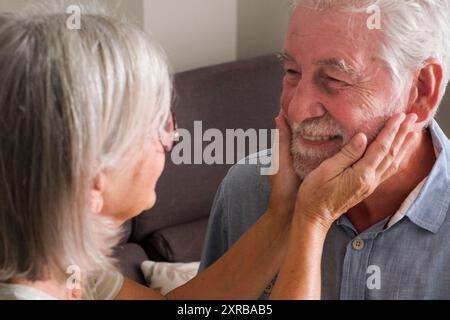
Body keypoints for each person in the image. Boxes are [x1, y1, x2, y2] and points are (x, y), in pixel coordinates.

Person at [0, 9, 414, 300]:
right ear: (91, 180)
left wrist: (283, 214)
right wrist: (313, 220)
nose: (172, 137)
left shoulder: (68, 272)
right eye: (154, 123)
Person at [200, 0, 450, 299]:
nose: (297, 108)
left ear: (421, 90)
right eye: (292, 71)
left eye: (334, 79)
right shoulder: (246, 190)